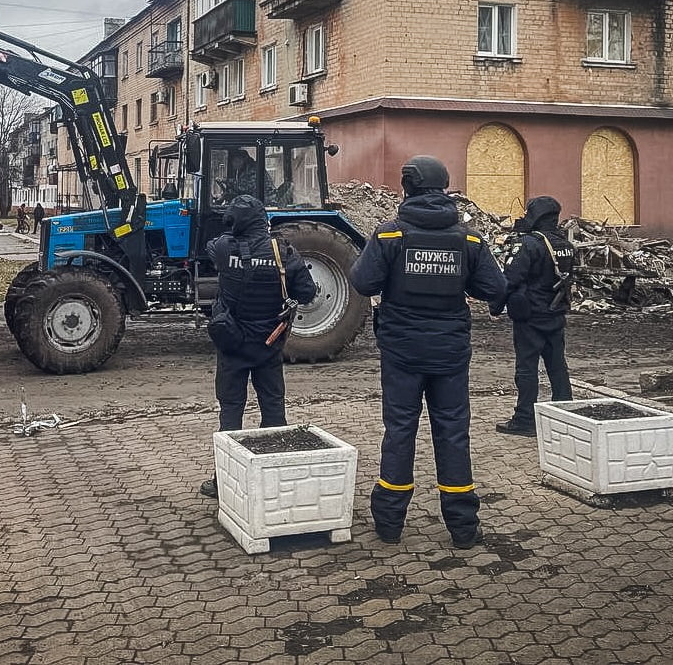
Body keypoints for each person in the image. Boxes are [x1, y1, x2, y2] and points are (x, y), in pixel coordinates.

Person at [350, 155, 506, 548]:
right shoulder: (468, 240)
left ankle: (389, 523)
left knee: (400, 430)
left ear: (408, 187)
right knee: (453, 432)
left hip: (401, 353)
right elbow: (495, 288)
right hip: (451, 354)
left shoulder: (390, 235)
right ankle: (463, 527)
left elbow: (363, 282)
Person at [201, 194, 317, 498]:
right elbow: (307, 293)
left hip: (231, 346)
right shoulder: (283, 251)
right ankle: (275, 478)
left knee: (230, 413)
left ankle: (223, 482)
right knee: (274, 411)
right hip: (268, 346)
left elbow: (213, 245)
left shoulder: (224, 248)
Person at [490, 196, 576, 436]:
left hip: (530, 317)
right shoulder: (567, 245)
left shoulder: (529, 244)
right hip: (556, 314)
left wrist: (495, 307)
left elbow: (509, 279)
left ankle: (525, 419)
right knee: (557, 366)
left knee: (527, 369)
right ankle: (566, 414)